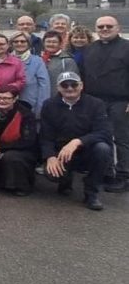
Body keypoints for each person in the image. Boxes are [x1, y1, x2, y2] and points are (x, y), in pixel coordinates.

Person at [39, 72, 114, 210]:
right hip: (61, 152)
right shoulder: (49, 105)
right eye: (64, 85)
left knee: (103, 149)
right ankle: (65, 180)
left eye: (74, 84)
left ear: (81, 86)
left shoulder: (96, 104)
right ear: (58, 88)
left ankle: (91, 193)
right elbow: (46, 136)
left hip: (88, 150)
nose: (69, 88)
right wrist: (50, 157)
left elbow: (105, 132)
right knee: (51, 174)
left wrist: (78, 141)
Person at [81, 15, 129, 193]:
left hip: (120, 100)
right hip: (95, 100)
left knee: (122, 139)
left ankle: (124, 175)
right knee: (102, 136)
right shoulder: (90, 49)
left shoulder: (127, 47)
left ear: (118, 28)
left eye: (109, 26)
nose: (105, 29)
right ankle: (106, 172)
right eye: (100, 27)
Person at [0, 90, 38, 196]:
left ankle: (22, 186)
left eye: (6, 98)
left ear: (15, 99)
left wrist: (2, 149)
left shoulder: (26, 114)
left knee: (10, 157)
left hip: (23, 149)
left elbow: (28, 140)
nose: (1, 101)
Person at [9, 31, 50, 111]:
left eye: (23, 41)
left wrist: (41, 107)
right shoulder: (6, 60)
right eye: (16, 41)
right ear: (11, 44)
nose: (19, 43)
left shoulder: (37, 61)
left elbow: (44, 86)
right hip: (9, 106)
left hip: (31, 105)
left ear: (28, 43)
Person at [41, 30, 78, 98]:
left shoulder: (67, 61)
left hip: (59, 99)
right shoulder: (38, 59)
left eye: (54, 42)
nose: (51, 44)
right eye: (48, 42)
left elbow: (72, 84)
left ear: (60, 43)